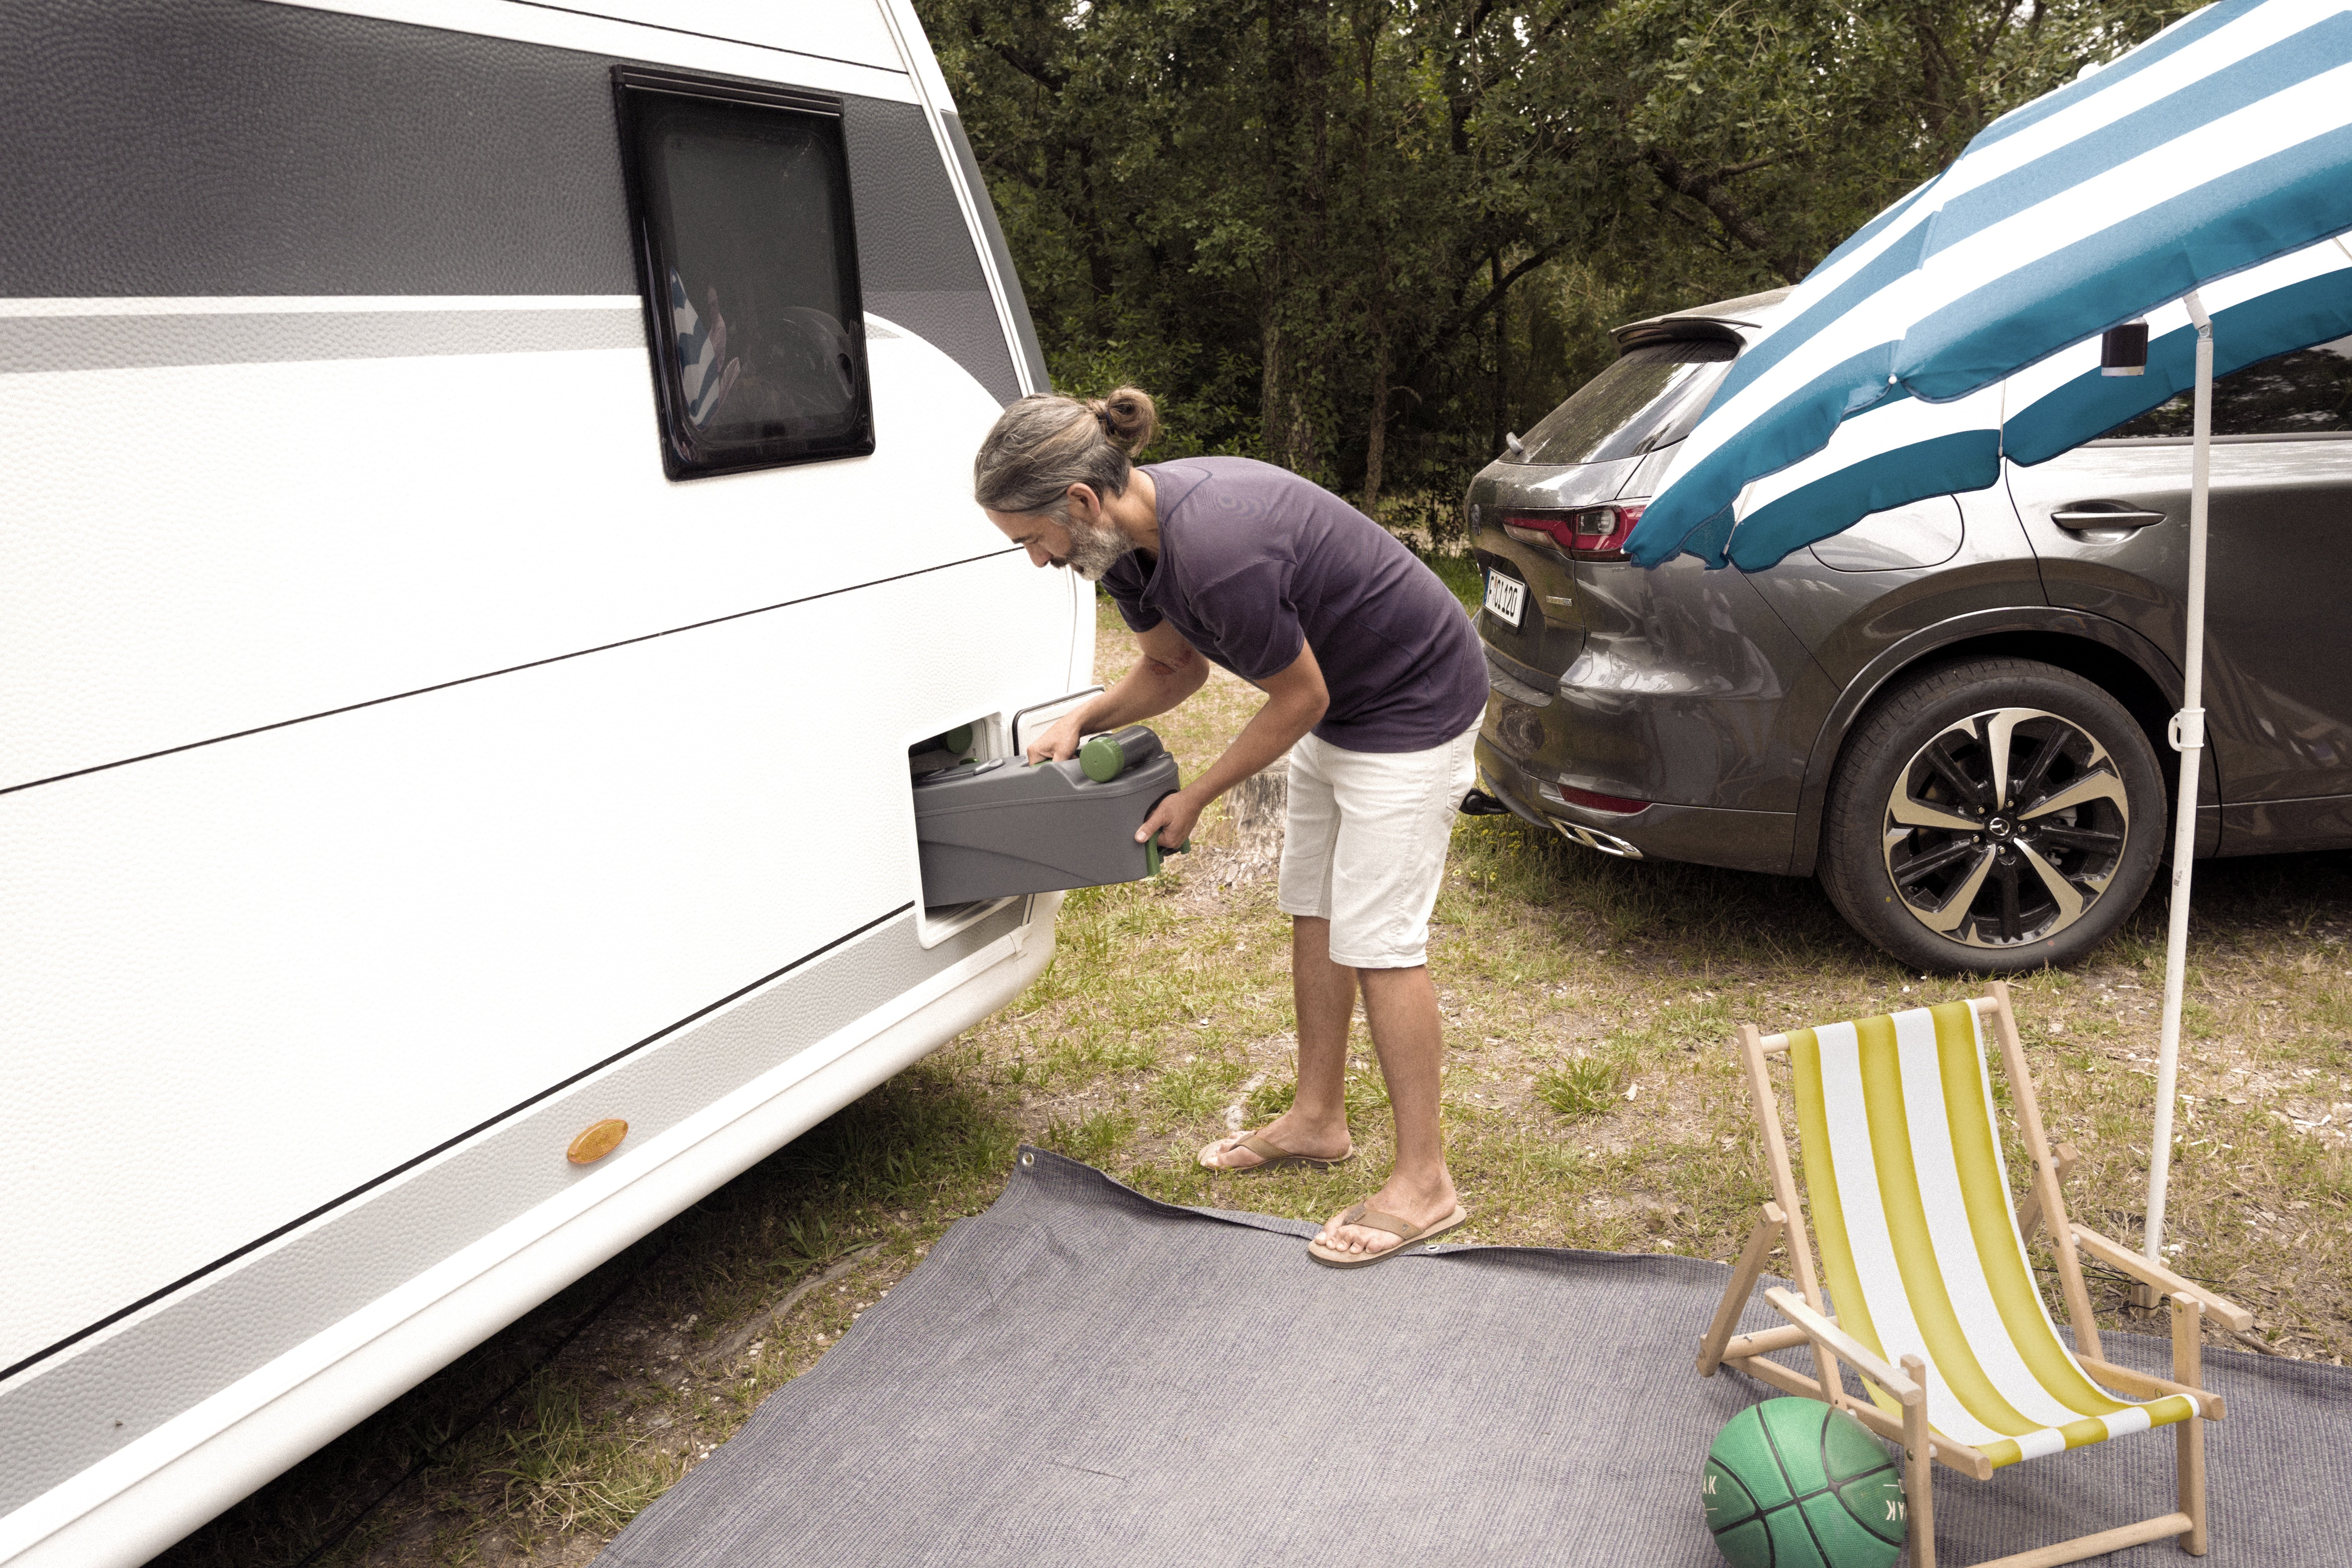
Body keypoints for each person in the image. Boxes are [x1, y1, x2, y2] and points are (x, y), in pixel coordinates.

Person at [972, 386, 1490, 1268]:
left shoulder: (1217, 549)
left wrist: (1199, 792)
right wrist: (1085, 720)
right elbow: (1174, 668)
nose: (1036, 559)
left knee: (1382, 940)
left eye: (1032, 539)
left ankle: (1426, 1181)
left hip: (1414, 699)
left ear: (1081, 502)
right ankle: (1320, 1118)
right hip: (1349, 703)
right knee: (1316, 906)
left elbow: (1300, 695)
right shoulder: (1129, 548)